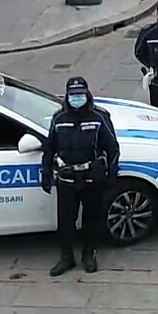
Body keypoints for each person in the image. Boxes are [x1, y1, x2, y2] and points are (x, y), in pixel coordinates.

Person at [42, 77, 121, 277]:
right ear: (67, 96)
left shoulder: (99, 117)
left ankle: (89, 255)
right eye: (73, 95)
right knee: (65, 221)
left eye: (80, 94)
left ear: (87, 94)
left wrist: (111, 174)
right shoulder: (58, 118)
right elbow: (49, 148)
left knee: (91, 220)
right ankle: (66, 258)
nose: (77, 98)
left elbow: (113, 148)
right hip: (67, 179)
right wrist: (46, 173)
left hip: (92, 178)